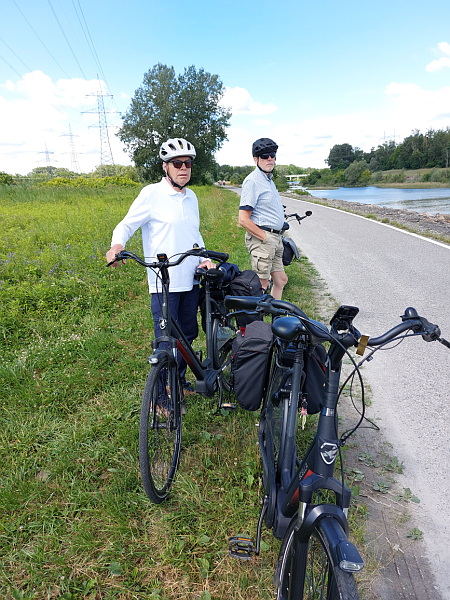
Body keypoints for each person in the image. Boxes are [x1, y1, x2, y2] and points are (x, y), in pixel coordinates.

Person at [105, 137, 213, 393]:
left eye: (188, 163)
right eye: (177, 163)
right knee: (165, 342)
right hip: (164, 282)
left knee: (187, 334)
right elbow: (127, 224)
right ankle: (161, 397)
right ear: (166, 166)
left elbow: (194, 233)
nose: (183, 168)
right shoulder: (152, 194)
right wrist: (117, 245)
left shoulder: (192, 197)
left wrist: (204, 258)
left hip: (190, 277)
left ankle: (179, 382)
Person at [238, 137, 288, 300]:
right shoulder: (253, 181)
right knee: (261, 285)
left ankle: (274, 313)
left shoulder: (268, 181)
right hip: (263, 239)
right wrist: (265, 238)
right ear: (256, 159)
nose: (270, 159)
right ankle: (256, 316)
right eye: (265, 156)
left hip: (276, 238)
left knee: (280, 280)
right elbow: (243, 219)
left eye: (273, 155)